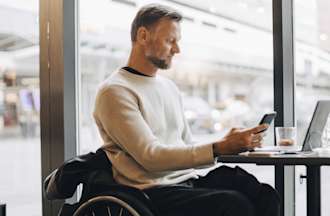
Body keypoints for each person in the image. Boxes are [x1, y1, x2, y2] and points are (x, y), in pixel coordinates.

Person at [93, 4, 280, 216]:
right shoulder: (115, 91)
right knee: (234, 204)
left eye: (177, 41)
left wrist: (229, 143)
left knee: (262, 193)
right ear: (143, 36)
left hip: (187, 181)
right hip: (150, 192)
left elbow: (186, 146)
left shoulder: (168, 87)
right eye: (170, 41)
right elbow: (151, 157)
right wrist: (219, 147)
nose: (177, 49)